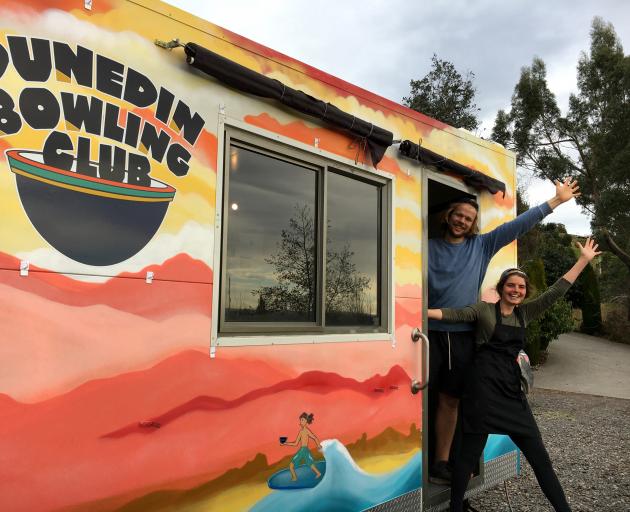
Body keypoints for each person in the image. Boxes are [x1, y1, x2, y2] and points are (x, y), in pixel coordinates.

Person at [428, 237, 600, 512]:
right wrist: (423, 312)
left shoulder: (525, 313)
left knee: (540, 457)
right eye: (511, 285)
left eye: (521, 287)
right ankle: (456, 508)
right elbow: (456, 314)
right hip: (481, 392)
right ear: (501, 288)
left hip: (510, 393)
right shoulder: (484, 310)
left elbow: (557, 291)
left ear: (525, 291)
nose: (516, 290)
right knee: (467, 456)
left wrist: (582, 261)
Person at [428, 178, 580, 484]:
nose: (463, 221)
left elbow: (518, 226)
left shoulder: (481, 246)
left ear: (473, 224)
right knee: (421, 397)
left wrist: (555, 201)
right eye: (459, 215)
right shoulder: (427, 247)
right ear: (448, 216)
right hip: (425, 330)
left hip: (461, 334)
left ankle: (442, 462)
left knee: (452, 399)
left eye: (469, 218)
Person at [281, 412, 322, 480]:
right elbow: (295, 443)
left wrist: (318, 445)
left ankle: (295, 478)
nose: (301, 421)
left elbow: (314, 437)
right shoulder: (301, 432)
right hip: (302, 450)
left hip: (304, 450)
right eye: (300, 420)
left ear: (306, 421)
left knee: (295, 465)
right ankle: (295, 477)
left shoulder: (306, 431)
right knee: (294, 465)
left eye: (302, 420)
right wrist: (285, 443)